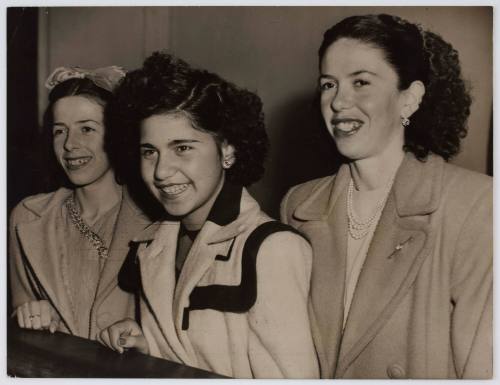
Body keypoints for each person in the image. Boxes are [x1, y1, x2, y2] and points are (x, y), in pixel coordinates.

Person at [280, 14, 492, 379]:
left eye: (360, 82)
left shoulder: (475, 205)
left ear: (409, 99)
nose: (338, 102)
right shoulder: (298, 206)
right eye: (329, 84)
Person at [99, 52, 319, 379]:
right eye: (150, 152)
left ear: (227, 150)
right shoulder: (150, 245)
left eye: (182, 148)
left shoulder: (271, 249)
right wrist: (147, 347)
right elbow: (188, 351)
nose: (161, 171)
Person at [9, 66, 151, 340]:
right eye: (59, 131)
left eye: (86, 129)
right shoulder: (27, 218)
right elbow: (20, 313)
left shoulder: (155, 219)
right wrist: (29, 313)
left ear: (117, 135)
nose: (70, 145)